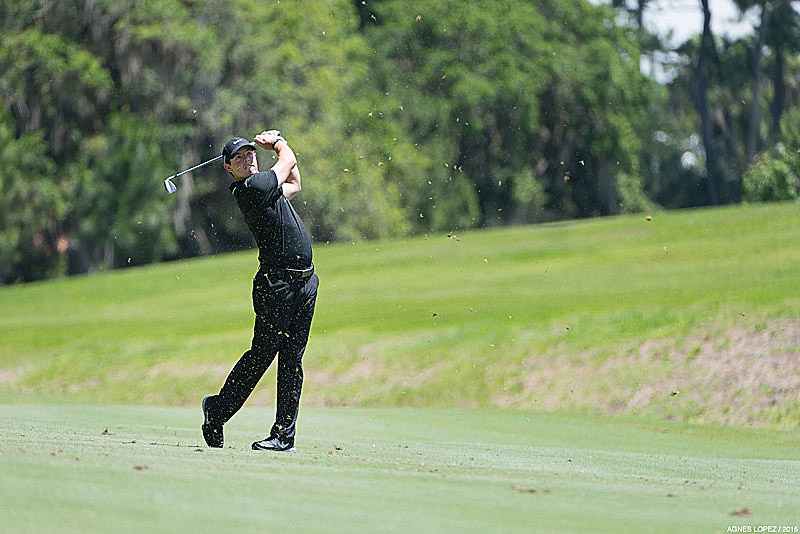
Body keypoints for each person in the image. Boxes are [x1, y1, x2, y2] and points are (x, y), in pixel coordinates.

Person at [201, 130, 318, 452]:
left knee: (292, 360)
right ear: (229, 168)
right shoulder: (251, 188)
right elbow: (289, 160)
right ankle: (218, 410)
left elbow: (294, 182)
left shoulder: (268, 188)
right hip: (276, 286)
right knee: (262, 356)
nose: (247, 158)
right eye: (238, 157)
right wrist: (278, 141)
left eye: (250, 153)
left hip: (306, 283)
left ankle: (283, 436)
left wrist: (281, 149)